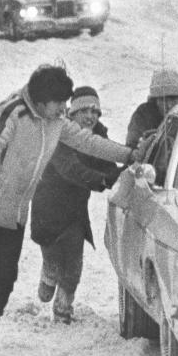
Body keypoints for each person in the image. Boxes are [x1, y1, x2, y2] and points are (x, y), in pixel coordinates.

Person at [0, 65, 137, 356]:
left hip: (15, 211)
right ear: (43, 100)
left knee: (4, 278)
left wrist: (129, 155)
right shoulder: (13, 111)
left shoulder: (55, 122)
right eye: (59, 104)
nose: (62, 110)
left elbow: (88, 141)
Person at [30, 86, 121, 324]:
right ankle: (49, 271)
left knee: (73, 263)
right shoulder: (60, 134)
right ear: (73, 113)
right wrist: (102, 179)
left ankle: (63, 309)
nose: (91, 116)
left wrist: (118, 173)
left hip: (74, 212)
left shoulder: (97, 135)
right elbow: (71, 170)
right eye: (85, 111)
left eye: (95, 111)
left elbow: (107, 161)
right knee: (52, 253)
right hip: (48, 208)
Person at [126, 68, 178, 147]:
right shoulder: (143, 116)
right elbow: (132, 148)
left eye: (173, 99)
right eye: (163, 100)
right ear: (155, 101)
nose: (169, 105)